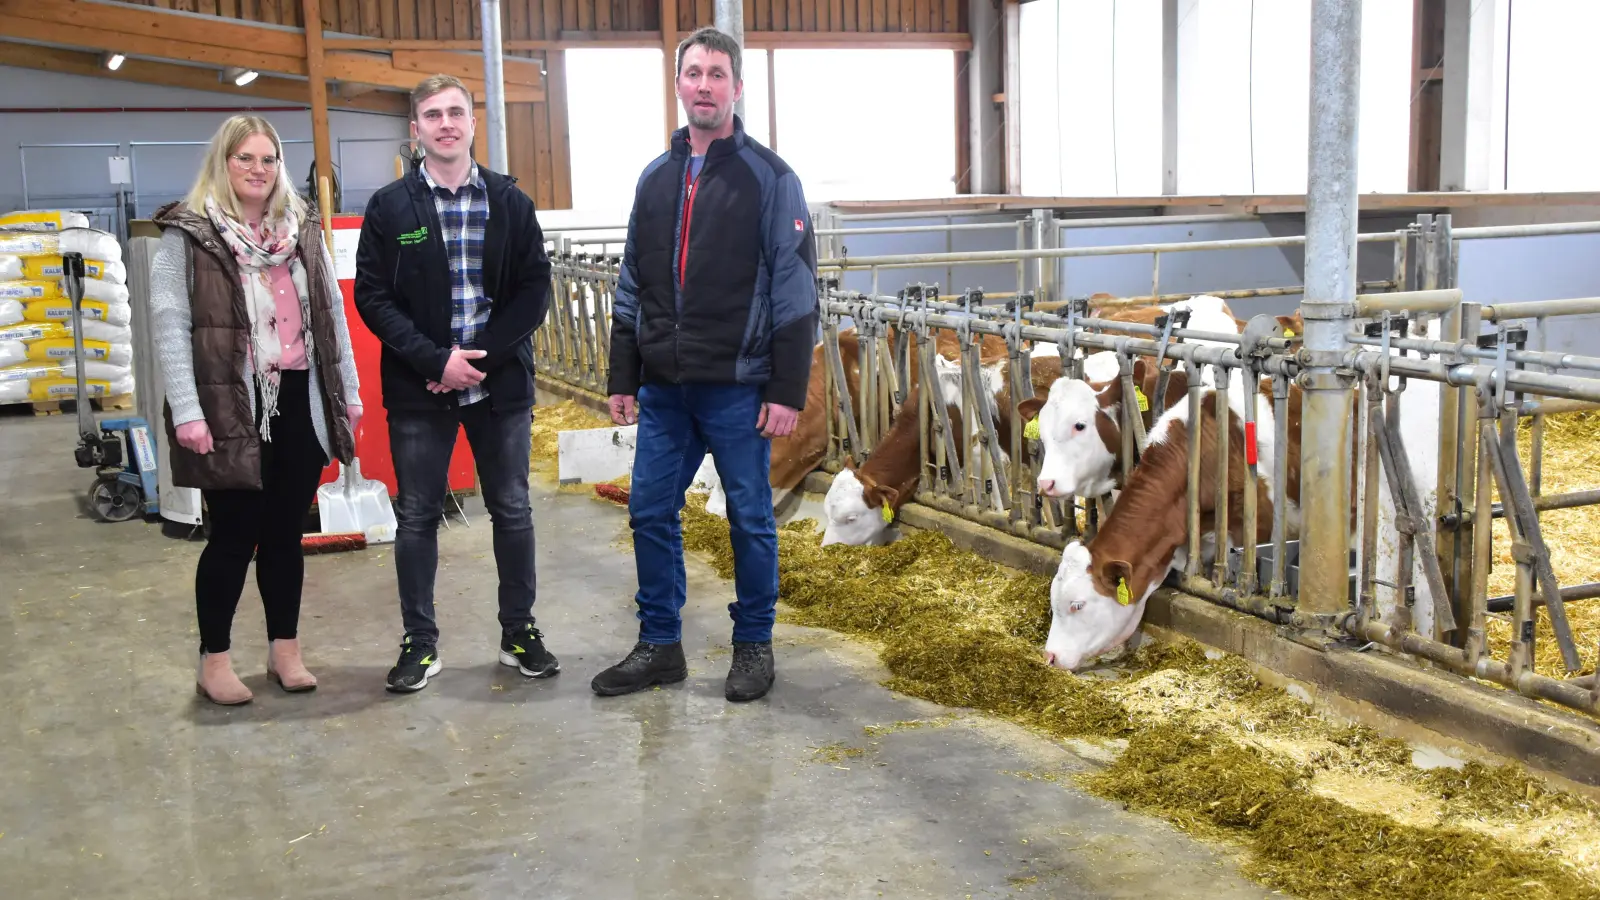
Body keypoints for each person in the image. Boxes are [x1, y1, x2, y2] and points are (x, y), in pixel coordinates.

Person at [593, 27, 818, 702]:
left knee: (749, 516)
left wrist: (786, 386)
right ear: (679, 84)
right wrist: (621, 373)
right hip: (665, 387)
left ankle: (753, 645)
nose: (704, 85)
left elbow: (795, 286)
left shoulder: (771, 179)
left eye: (717, 74)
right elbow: (633, 279)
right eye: (694, 73)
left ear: (737, 88)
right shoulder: (656, 178)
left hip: (739, 387)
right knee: (648, 510)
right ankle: (660, 644)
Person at [353, 74, 556, 693]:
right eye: (433, 115)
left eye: (457, 113)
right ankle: (420, 642)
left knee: (513, 509)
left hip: (498, 387)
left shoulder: (510, 202)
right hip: (422, 388)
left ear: (472, 122)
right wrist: (433, 361)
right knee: (416, 515)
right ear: (415, 130)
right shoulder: (390, 208)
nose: (446, 123)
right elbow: (372, 297)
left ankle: (518, 631)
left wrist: (481, 360)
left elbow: (532, 292)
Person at [150, 115, 361, 705]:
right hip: (229, 406)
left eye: (268, 160)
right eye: (245, 158)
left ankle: (284, 651)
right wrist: (188, 411)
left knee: (286, 535)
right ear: (223, 163)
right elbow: (169, 329)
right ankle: (214, 659)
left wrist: (348, 393)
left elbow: (332, 317)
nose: (258, 170)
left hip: (299, 400)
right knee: (233, 535)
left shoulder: (301, 229)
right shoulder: (188, 236)